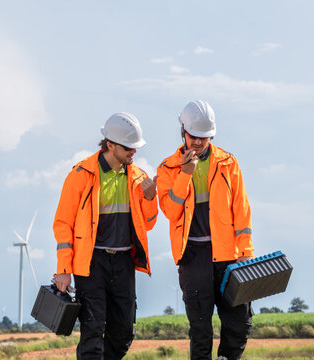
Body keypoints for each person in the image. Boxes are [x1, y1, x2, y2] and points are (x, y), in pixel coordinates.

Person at [53, 112, 158, 360]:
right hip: (91, 264)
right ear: (110, 144)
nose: (133, 152)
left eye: (135, 147)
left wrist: (151, 198)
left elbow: (149, 224)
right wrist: (63, 268)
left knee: (124, 332)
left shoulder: (138, 178)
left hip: (123, 263)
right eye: (128, 147)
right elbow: (62, 224)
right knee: (93, 330)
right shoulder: (80, 175)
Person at [156, 100, 254, 360]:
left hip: (228, 257)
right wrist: (185, 173)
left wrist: (245, 250)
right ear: (183, 132)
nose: (198, 142)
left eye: (204, 137)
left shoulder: (228, 163)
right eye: (193, 136)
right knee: (200, 331)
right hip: (193, 257)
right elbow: (170, 211)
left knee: (239, 324)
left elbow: (241, 208)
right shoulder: (167, 169)